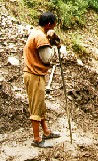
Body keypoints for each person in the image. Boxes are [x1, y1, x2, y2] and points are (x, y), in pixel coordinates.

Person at [23, 12, 61, 148]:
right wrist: (54, 45)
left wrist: (50, 40)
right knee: (36, 107)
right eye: (54, 24)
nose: (54, 27)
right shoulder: (40, 37)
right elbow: (46, 58)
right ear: (49, 24)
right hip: (35, 75)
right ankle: (37, 139)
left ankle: (46, 131)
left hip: (34, 73)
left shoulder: (37, 33)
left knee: (41, 105)